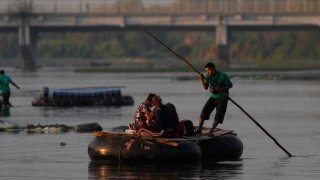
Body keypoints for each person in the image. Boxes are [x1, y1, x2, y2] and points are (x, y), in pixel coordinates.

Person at [196, 63, 233, 136]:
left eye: (209, 70)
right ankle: (199, 129)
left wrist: (221, 89)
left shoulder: (222, 75)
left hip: (223, 98)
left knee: (218, 116)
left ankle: (211, 131)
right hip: (213, 97)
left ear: (213, 69)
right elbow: (205, 87)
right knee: (204, 112)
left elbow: (230, 85)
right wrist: (202, 79)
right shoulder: (207, 76)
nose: (207, 72)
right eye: (206, 71)